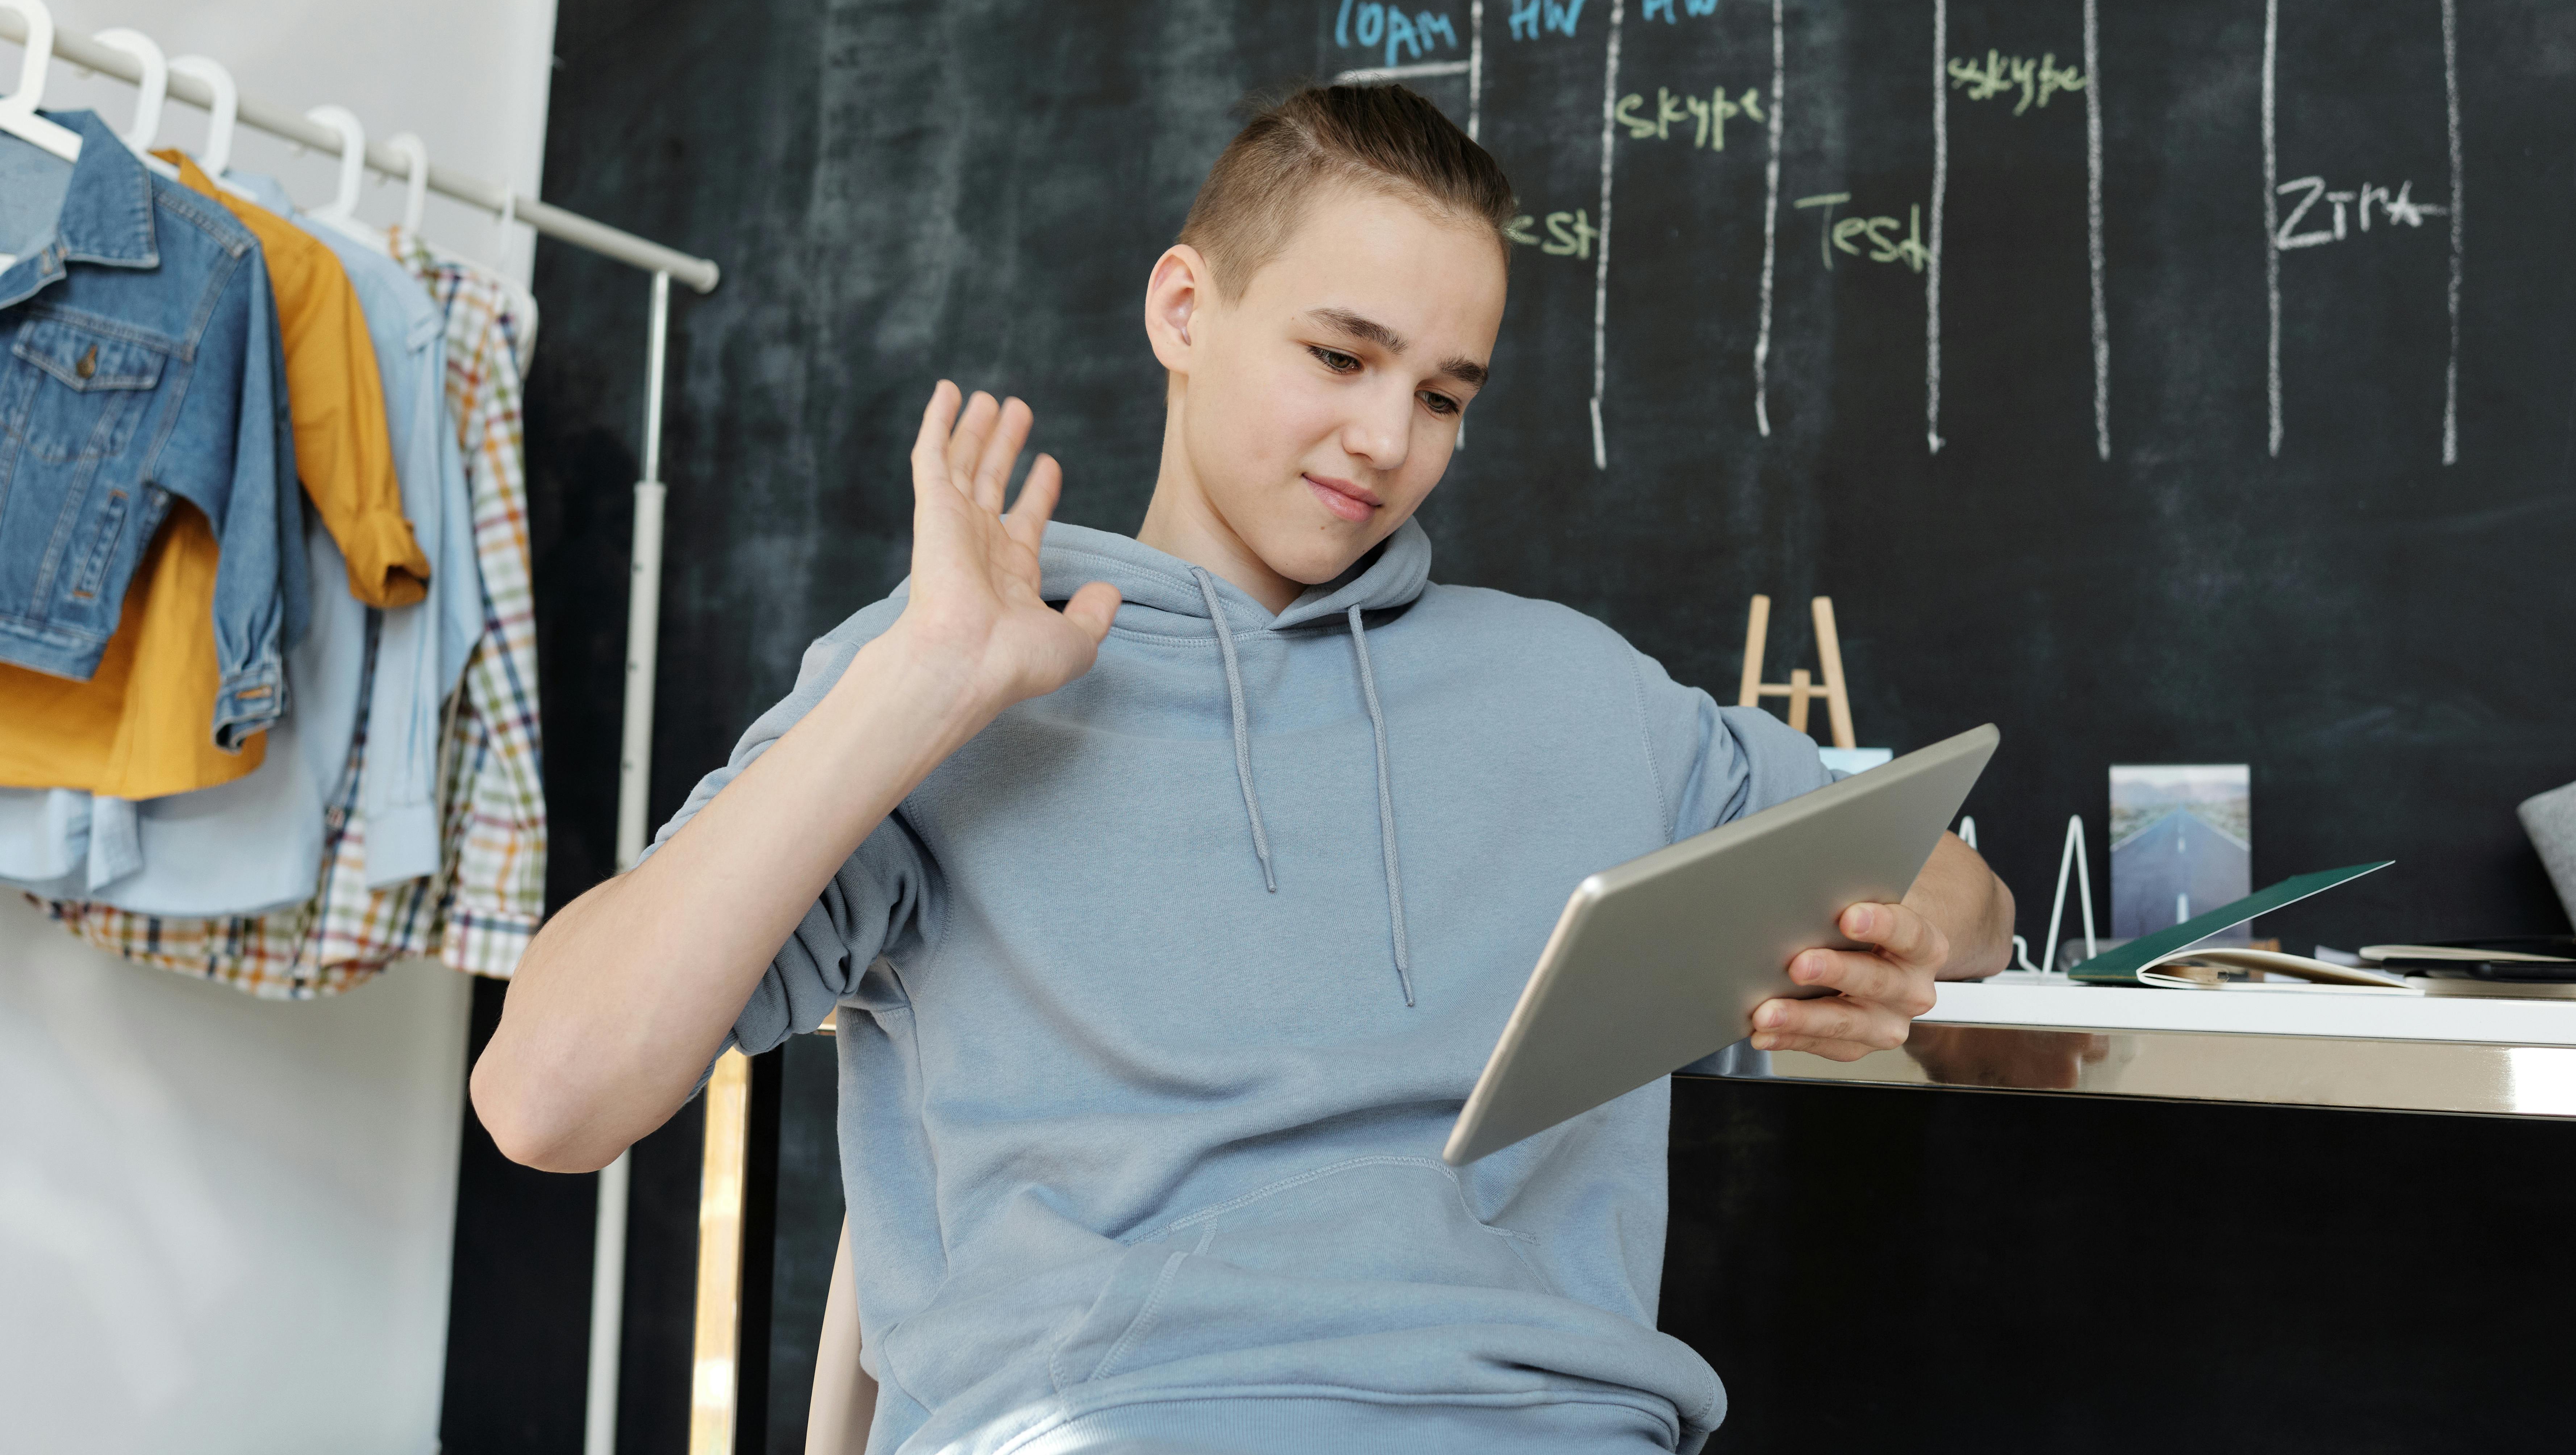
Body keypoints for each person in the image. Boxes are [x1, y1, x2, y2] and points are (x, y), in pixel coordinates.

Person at [474, 84, 2013, 1454]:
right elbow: (547, 1097)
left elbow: (1960, 884)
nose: (1383, 439)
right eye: (1339, 355)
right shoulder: (950, 666)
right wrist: (912, 695)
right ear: (1183, 311)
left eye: (1441, 396)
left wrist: (1905, 940)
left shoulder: (1579, 691)